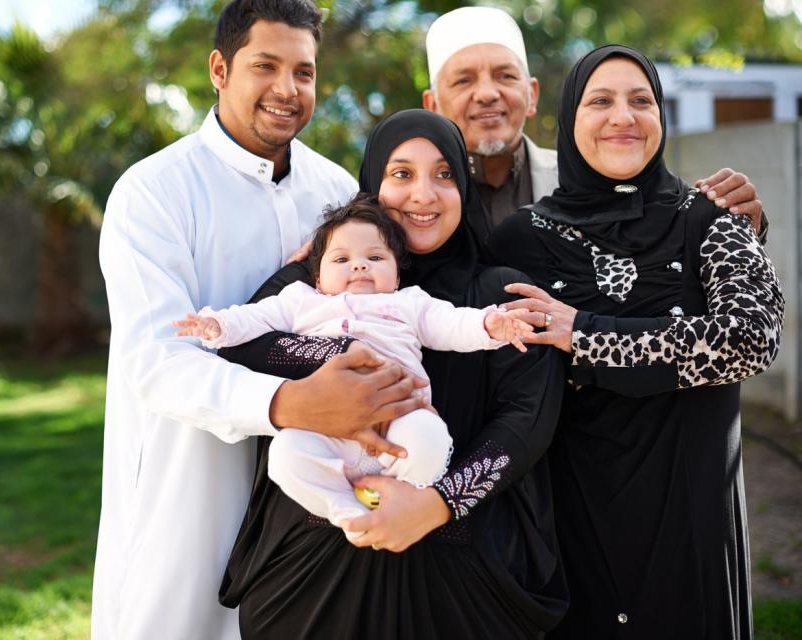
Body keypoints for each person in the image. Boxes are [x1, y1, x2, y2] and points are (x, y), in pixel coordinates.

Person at [92, 1, 428, 638]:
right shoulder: (153, 192)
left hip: (317, 494)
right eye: (265, 66)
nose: (287, 89)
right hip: (188, 484)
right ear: (220, 68)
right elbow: (159, 362)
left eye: (303, 72)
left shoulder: (335, 194)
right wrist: (294, 404)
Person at [219, 109, 568, 639]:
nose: (423, 194)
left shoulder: (499, 296)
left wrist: (439, 503)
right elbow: (240, 349)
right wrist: (343, 353)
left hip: (464, 578)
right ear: (373, 184)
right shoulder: (315, 279)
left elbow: (527, 421)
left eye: (445, 174)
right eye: (401, 174)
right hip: (314, 574)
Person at [486, 45, 784, 639]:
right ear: (570, 120)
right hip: (575, 528)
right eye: (600, 101)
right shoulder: (521, 238)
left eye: (641, 100)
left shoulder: (711, 218)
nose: (623, 116)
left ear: (661, 118)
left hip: (691, 523)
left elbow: (750, 339)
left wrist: (587, 336)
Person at [175, 195, 535, 538]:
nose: (359, 265)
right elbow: (255, 318)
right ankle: (346, 508)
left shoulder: (408, 303)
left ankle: (398, 499)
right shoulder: (300, 301)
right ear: (317, 278)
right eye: (341, 259)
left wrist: (491, 325)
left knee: (431, 439)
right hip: (326, 423)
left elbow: (452, 324)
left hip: (399, 417)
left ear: (396, 275)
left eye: (375, 258)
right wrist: (218, 326)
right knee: (285, 457)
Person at [421, 5, 767, 242]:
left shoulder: (596, 179)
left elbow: (665, 227)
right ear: (432, 105)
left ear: (532, 95)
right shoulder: (408, 200)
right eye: (464, 81)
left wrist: (732, 223)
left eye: (505, 76)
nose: (487, 94)